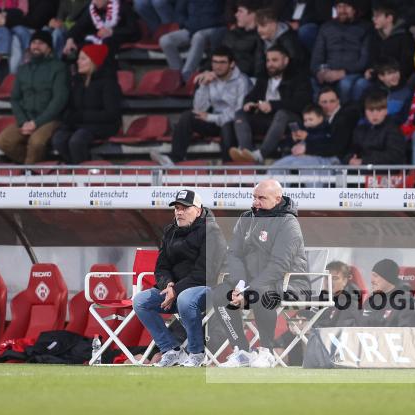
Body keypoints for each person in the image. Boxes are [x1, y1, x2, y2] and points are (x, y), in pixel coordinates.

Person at [211, 179, 310, 369]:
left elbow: (279, 266)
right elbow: (234, 254)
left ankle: (267, 351)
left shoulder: (289, 223)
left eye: (262, 198)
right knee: (220, 294)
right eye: (254, 197)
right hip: (250, 283)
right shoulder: (246, 218)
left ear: (277, 198)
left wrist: (249, 291)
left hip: (290, 283)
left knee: (262, 292)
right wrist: (240, 286)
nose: (256, 202)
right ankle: (241, 351)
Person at [133, 189, 226, 368]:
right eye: (176, 208)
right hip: (174, 291)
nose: (179, 212)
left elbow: (205, 272)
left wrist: (175, 290)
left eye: (185, 208)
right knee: (140, 301)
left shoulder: (212, 231)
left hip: (206, 290)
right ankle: (171, 350)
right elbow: (161, 267)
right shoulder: (170, 231)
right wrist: (167, 285)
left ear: (198, 211)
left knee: (185, 298)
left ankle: (197, 353)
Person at [151, 45, 251, 165]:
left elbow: (238, 112)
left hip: (233, 123)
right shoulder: (210, 77)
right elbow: (199, 108)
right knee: (188, 116)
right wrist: (204, 85)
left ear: (232, 64)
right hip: (214, 121)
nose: (217, 66)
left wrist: (210, 117)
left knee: (227, 125)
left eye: (222, 62)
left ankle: (228, 167)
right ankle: (175, 158)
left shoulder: (242, 81)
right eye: (215, 62)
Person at [229, 44, 313, 164]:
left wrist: (273, 105)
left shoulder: (299, 77)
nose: (270, 64)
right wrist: (249, 103)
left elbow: (301, 103)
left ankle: (260, 155)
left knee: (281, 114)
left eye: (274, 60)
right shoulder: (263, 77)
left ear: (286, 60)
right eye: (268, 60)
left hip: (291, 121)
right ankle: (246, 152)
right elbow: (251, 96)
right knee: (240, 113)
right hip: (267, 120)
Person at [0, 30, 69, 165]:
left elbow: (59, 99)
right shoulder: (23, 69)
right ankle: (36, 166)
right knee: (3, 140)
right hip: (26, 119)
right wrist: (23, 121)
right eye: (34, 43)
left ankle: (29, 177)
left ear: (49, 48)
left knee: (36, 142)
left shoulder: (59, 68)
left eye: (41, 43)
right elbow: (15, 98)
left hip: (51, 120)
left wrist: (36, 123)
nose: (36, 46)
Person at [52, 44, 122, 164]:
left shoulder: (109, 83)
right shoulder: (77, 82)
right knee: (58, 139)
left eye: (83, 59)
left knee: (77, 140)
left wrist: (83, 116)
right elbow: (70, 106)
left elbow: (111, 114)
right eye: (79, 58)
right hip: (80, 124)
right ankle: (76, 165)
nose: (78, 62)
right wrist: (68, 117)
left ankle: (82, 173)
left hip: (103, 125)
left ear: (94, 62)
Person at [310, 0, 372, 101]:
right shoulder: (326, 27)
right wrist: (319, 72)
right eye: (339, 6)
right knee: (312, 81)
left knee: (345, 84)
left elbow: (364, 60)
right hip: (329, 71)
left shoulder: (366, 27)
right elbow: (316, 57)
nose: (342, 10)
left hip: (352, 72)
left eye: (346, 6)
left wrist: (343, 72)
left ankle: (344, 114)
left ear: (354, 9)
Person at [159, 0, 224, 83]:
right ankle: (177, 72)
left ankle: (186, 75)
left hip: (213, 28)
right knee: (165, 40)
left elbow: (227, 12)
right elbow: (179, 12)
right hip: (191, 28)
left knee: (198, 36)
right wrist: (186, 24)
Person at [64, 0, 140, 60]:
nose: (93, 1)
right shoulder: (92, 9)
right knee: (80, 44)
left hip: (115, 41)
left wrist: (112, 32)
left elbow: (134, 30)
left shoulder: (122, 7)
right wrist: (70, 39)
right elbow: (78, 26)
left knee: (106, 42)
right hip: (97, 41)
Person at [347, 90, 407, 165]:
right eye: (371, 110)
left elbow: (394, 156)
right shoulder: (360, 130)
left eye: (379, 110)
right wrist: (350, 158)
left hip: (386, 173)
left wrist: (364, 161)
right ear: (365, 111)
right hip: (361, 171)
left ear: (386, 111)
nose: (374, 115)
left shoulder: (394, 130)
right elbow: (351, 150)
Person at [357, 259, 415, 327]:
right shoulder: (370, 302)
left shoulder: (407, 304)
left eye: (375, 276)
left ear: (387, 278)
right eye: (372, 276)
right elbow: (357, 330)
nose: (372, 280)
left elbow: (408, 335)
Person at [368, 1, 415, 83]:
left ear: (389, 18)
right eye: (373, 16)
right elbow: (373, 60)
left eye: (377, 16)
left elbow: (407, 66)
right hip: (379, 78)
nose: (373, 19)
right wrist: (371, 70)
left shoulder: (405, 37)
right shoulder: (375, 36)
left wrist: (390, 75)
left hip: (399, 81)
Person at [252, 7, 308, 78]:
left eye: (263, 26)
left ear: (274, 24)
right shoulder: (262, 39)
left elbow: (295, 65)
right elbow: (259, 64)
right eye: (257, 26)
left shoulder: (289, 40)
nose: (259, 30)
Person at [216, 1, 260, 77]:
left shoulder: (260, 37)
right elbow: (218, 53)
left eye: (240, 11)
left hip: (243, 79)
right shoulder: (232, 33)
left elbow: (252, 66)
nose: (236, 15)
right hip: (224, 74)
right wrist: (205, 70)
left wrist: (223, 72)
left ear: (252, 14)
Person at [370, 59, 413, 123]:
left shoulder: (406, 91)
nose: (395, 76)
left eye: (396, 72)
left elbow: (404, 116)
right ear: (381, 77)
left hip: (392, 126)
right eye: (390, 73)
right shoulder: (374, 90)